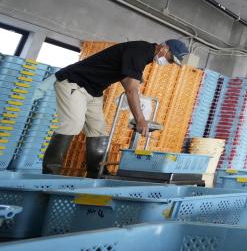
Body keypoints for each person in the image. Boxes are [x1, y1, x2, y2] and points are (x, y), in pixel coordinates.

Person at [42, 39, 189, 177]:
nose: (168, 62)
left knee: (98, 130)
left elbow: (127, 78)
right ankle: (50, 172)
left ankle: (97, 173)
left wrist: (136, 83)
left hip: (94, 90)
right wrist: (140, 119)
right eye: (170, 59)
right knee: (73, 123)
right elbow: (130, 90)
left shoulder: (145, 55)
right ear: (164, 48)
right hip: (74, 83)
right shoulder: (139, 51)